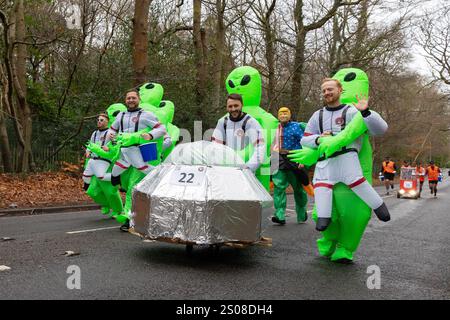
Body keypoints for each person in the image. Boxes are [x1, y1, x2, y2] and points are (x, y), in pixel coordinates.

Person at [301, 78, 391, 231]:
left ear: (340, 90)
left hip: (347, 158)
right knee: (321, 186)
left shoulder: (351, 111)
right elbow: (305, 139)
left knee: (358, 182)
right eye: (324, 91)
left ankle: (379, 206)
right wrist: (319, 139)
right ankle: (324, 217)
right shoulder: (318, 115)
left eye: (330, 89)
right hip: (325, 162)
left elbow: (380, 130)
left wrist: (365, 112)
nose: (327, 93)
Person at [108, 89, 167, 230]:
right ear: (125, 100)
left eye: (133, 98)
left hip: (140, 153)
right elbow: (112, 129)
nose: (131, 100)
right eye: (128, 98)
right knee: (123, 176)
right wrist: (111, 136)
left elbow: (162, 129)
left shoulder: (146, 114)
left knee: (136, 185)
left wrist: (151, 135)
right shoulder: (121, 115)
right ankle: (129, 217)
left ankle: (163, 178)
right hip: (124, 152)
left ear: (139, 99)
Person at [270, 107, 313, 225]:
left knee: (298, 188)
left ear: (289, 114)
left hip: (294, 157)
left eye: (285, 113)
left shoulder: (296, 126)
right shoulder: (275, 127)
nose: (283, 115)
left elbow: (305, 142)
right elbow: (272, 143)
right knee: (278, 187)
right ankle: (279, 214)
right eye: (281, 113)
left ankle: (301, 212)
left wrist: (303, 159)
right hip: (279, 158)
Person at [83, 113, 112, 190]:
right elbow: (90, 144)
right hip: (93, 159)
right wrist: (88, 151)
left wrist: (109, 148)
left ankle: (117, 177)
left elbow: (116, 145)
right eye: (98, 120)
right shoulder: (95, 133)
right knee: (85, 177)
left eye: (102, 120)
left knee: (101, 176)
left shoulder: (110, 133)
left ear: (107, 122)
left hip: (103, 159)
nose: (99, 121)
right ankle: (89, 190)